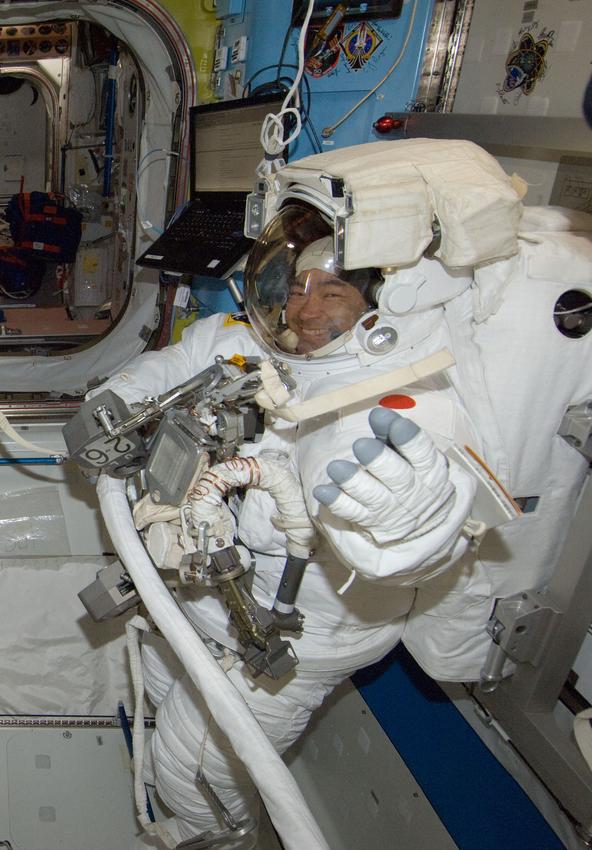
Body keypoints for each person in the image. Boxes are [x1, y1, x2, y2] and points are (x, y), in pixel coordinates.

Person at [97, 138, 578, 845]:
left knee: (192, 770)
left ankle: (217, 839)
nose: (305, 305)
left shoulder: (396, 400)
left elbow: (406, 541)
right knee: (169, 698)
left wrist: (410, 522)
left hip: (289, 640)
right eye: (295, 285)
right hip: (205, 604)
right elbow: (164, 369)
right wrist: (110, 408)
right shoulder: (254, 343)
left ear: (383, 301)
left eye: (333, 289)